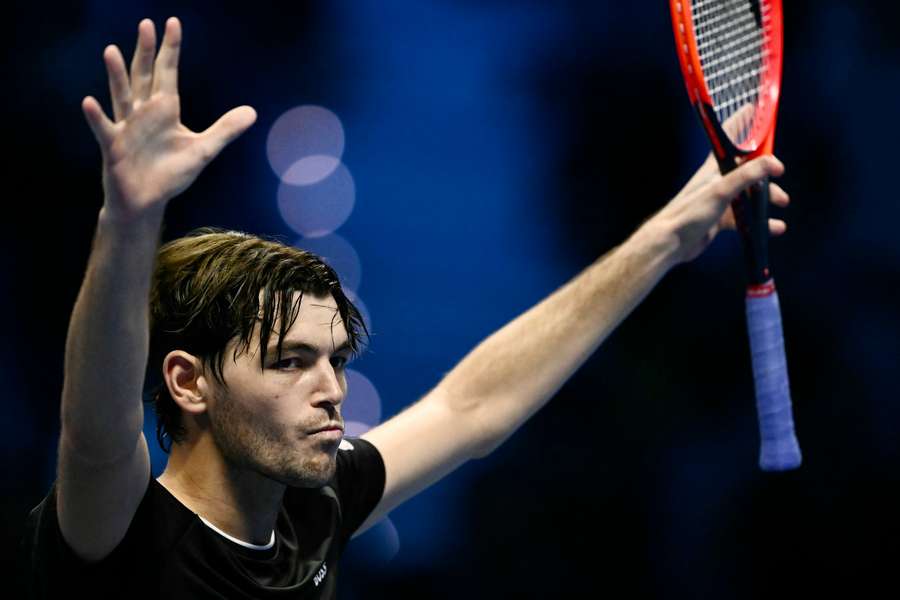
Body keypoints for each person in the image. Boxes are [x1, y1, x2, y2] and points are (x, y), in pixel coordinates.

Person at [20, 16, 790, 599]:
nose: (331, 388)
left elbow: (473, 404)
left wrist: (663, 237)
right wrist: (127, 222)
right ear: (188, 382)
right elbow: (95, 431)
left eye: (334, 359)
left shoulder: (311, 513)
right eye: (290, 359)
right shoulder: (119, 529)